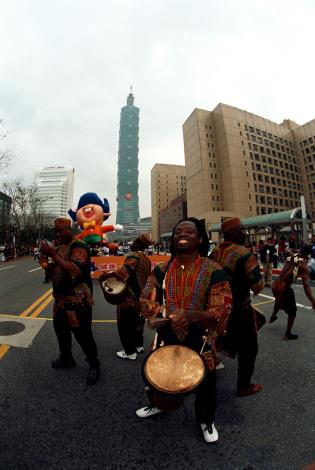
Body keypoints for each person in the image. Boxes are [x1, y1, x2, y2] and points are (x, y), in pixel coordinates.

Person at [137, 218, 232, 444]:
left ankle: (206, 419)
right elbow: (144, 300)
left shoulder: (214, 270)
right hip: (166, 334)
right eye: (178, 231)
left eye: (189, 231)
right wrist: (158, 312)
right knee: (157, 376)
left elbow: (222, 310)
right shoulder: (161, 270)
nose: (182, 234)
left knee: (207, 384)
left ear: (200, 239)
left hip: (200, 336)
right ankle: (158, 405)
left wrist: (190, 316)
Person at [40, 218, 100, 385]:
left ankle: (94, 364)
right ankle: (66, 358)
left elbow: (75, 269)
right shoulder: (59, 248)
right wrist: (44, 259)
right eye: (56, 232)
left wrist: (52, 254)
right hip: (60, 299)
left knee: (83, 334)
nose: (58, 235)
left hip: (78, 299)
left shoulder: (79, 246)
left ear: (70, 229)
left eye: (61, 231)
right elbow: (54, 271)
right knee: (60, 330)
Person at [210, 217, 264, 397]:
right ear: (232, 233)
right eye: (241, 229)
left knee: (218, 336)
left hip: (218, 307)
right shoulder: (244, 253)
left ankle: (210, 365)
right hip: (239, 309)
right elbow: (258, 286)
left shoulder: (215, 252)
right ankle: (243, 386)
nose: (245, 232)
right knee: (249, 347)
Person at [113, 234, 153, 360]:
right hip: (141, 296)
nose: (132, 244)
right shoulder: (147, 259)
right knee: (138, 321)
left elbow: (123, 273)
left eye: (134, 242)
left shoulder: (133, 256)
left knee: (125, 324)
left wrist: (110, 276)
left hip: (128, 296)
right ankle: (139, 345)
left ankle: (130, 352)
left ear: (137, 244)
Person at [270, 245, 315, 340]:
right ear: (308, 254)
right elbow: (306, 285)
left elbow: (295, 252)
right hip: (285, 287)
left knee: (278, 301)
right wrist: (312, 300)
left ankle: (273, 316)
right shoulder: (303, 266)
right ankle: (287, 334)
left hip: (276, 284)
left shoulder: (292, 256)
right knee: (292, 311)